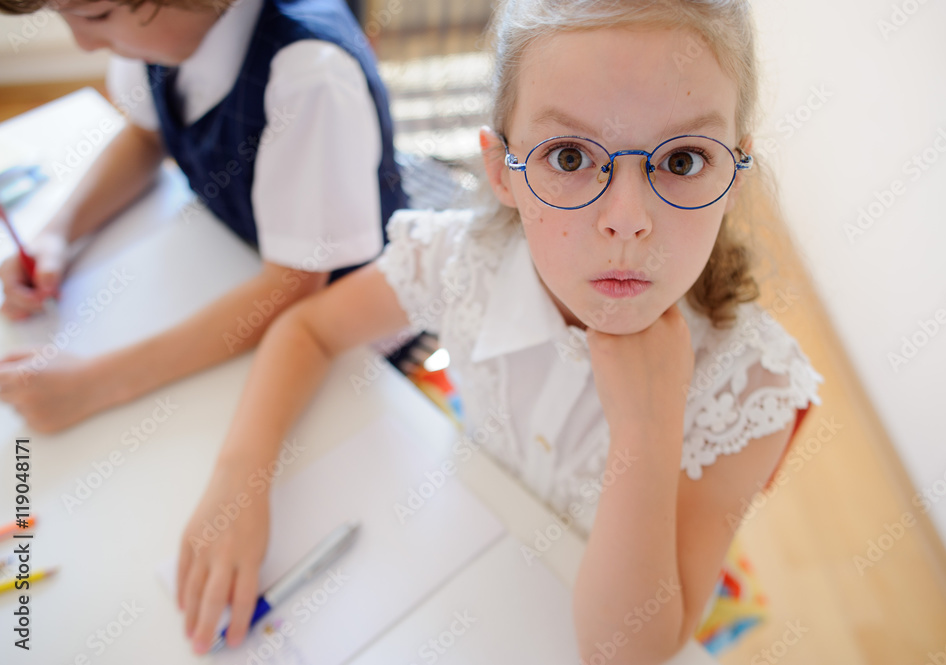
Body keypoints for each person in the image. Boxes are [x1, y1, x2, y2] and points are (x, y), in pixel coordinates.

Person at [177, 0, 824, 659]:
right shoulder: (461, 260)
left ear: (736, 175)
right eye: (570, 156)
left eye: (683, 160)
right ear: (500, 170)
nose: (628, 221)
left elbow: (627, 650)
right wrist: (239, 480)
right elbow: (309, 331)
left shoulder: (752, 383)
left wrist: (646, 432)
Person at [0, 0, 405, 432]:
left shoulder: (309, 76)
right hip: (236, 260)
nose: (83, 44)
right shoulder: (165, 39)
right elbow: (144, 137)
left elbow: (292, 287)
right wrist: (59, 233)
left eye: (97, 16)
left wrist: (93, 384)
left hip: (348, 325)